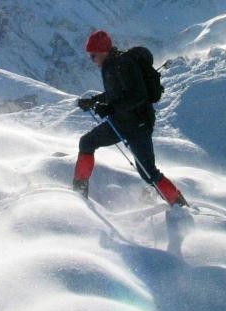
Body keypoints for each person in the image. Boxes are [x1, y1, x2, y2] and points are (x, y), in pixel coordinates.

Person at [73, 29, 188, 207]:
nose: (92, 60)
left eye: (93, 55)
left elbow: (138, 95)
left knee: (148, 172)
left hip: (138, 125)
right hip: (121, 122)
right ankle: (78, 194)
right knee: (86, 143)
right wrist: (93, 101)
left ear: (103, 51)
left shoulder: (122, 65)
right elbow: (116, 93)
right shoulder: (111, 65)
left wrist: (110, 108)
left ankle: (180, 206)